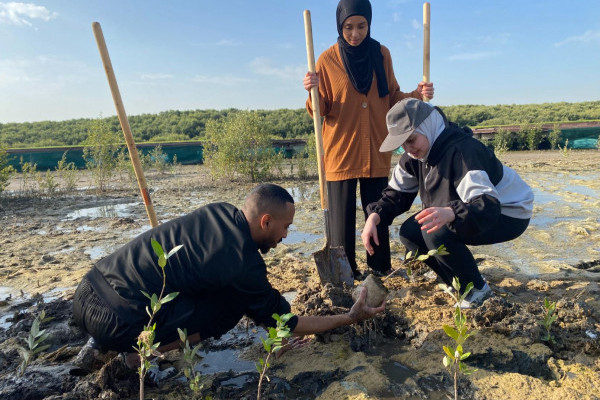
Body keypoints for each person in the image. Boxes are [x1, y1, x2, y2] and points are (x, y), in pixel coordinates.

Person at [73, 183, 385, 372]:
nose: (286, 236)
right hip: (115, 319)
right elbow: (287, 324)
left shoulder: (219, 211)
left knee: (199, 288)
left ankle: (98, 343)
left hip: (87, 290)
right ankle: (131, 358)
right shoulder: (242, 264)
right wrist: (348, 318)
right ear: (265, 221)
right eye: (285, 227)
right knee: (232, 307)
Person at [303, 0, 434, 279]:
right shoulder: (326, 60)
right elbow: (321, 109)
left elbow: (393, 98)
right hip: (341, 151)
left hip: (376, 148)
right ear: (340, 25)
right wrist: (313, 93)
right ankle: (344, 275)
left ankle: (379, 271)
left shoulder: (381, 54)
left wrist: (417, 94)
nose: (355, 33)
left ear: (369, 24)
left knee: (377, 214)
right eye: (349, 27)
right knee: (340, 223)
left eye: (361, 26)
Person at [361, 98, 534, 308]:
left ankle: (477, 290)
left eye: (412, 139)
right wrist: (375, 216)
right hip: (469, 210)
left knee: (435, 229)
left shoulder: (462, 153)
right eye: (402, 144)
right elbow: (396, 194)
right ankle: (456, 283)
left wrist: (451, 212)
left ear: (427, 127)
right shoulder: (414, 157)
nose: (408, 149)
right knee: (410, 232)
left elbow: (486, 205)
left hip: (509, 212)